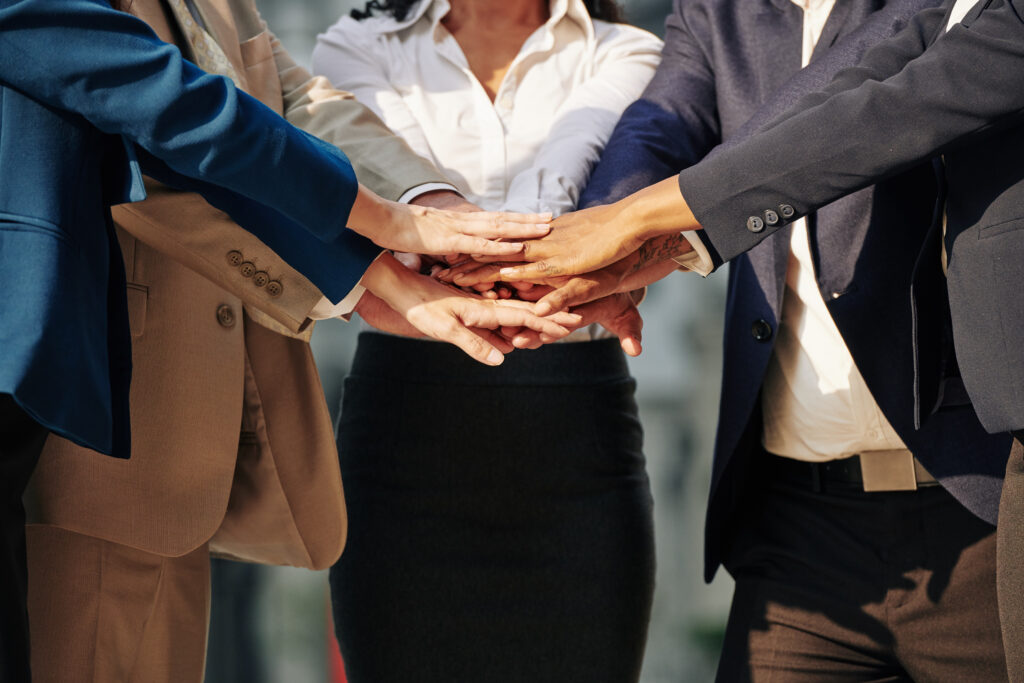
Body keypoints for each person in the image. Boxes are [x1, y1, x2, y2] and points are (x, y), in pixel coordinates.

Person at [0, 0, 576, 678]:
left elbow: (288, 94)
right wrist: (370, 268)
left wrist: (427, 205)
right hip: (95, 440)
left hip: (187, 444)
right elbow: (150, 132)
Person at [458, 0, 1024, 677]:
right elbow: (660, 124)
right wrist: (597, 242)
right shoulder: (714, 11)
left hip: (977, 505)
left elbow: (854, 114)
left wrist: (631, 227)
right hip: (798, 530)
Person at [311, 0, 662, 679]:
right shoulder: (355, 47)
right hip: (404, 438)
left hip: (575, 440)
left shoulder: (625, 50)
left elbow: (571, 170)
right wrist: (545, 258)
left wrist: (460, 252)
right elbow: (385, 182)